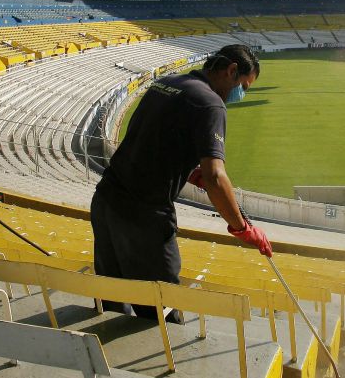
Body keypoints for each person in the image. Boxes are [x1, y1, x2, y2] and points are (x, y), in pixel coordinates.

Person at [91, 44, 272, 322]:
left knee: (111, 297)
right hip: (144, 216)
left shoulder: (166, 83)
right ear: (231, 70)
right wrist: (242, 228)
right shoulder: (210, 103)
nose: (241, 94)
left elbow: (147, 142)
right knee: (161, 313)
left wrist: (187, 171)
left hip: (106, 201)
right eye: (244, 86)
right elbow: (215, 176)